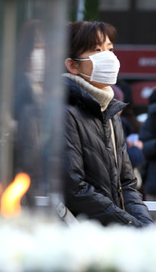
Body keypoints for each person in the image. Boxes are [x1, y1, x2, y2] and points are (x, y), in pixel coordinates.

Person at [62, 20, 152, 227]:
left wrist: (145, 226)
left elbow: (126, 183)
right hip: (81, 237)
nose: (108, 58)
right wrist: (130, 224)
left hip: (112, 233)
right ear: (73, 65)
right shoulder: (65, 112)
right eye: (96, 50)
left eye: (109, 49)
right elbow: (74, 189)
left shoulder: (110, 112)